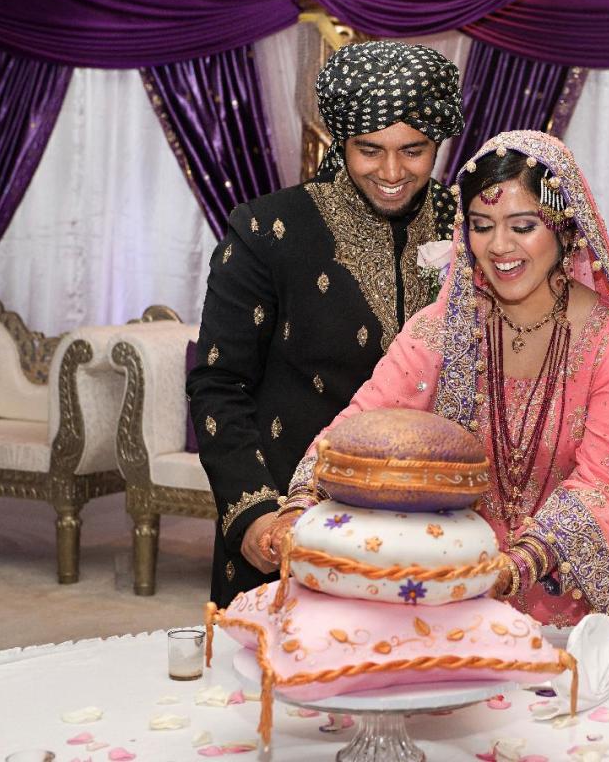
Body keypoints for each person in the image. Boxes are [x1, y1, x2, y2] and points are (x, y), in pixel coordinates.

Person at [262, 130, 609, 665]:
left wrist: (512, 568)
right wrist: (299, 506)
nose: (499, 247)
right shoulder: (446, 328)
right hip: (458, 573)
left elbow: (600, 489)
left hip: (577, 589)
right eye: (481, 226)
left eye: (523, 226)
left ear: (564, 229)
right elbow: (360, 422)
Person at [187, 41, 463, 607]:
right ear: (340, 140)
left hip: (434, 526)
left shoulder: (474, 228)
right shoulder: (265, 230)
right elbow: (219, 383)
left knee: (431, 680)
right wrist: (256, 515)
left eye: (413, 150)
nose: (391, 172)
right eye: (369, 149)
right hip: (295, 523)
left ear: (439, 140)